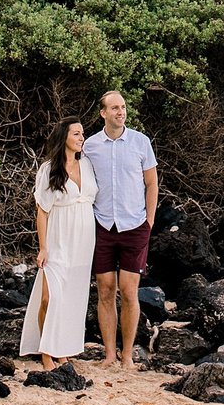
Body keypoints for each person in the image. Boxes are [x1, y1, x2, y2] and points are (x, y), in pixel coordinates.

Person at [82, 90, 158, 369]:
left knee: (128, 291)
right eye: (114, 108)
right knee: (104, 290)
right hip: (102, 225)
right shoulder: (90, 146)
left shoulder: (140, 142)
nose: (120, 112)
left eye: (123, 107)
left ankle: (127, 356)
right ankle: (109, 355)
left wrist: (149, 221)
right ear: (103, 113)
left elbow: (152, 183)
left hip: (135, 225)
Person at [19, 118, 98, 370]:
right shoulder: (48, 169)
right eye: (76, 133)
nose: (81, 137)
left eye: (82, 134)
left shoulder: (86, 165)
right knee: (49, 297)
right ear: (64, 136)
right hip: (58, 237)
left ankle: (63, 350)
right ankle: (45, 352)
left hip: (84, 239)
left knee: (72, 296)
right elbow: (42, 211)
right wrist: (43, 247)